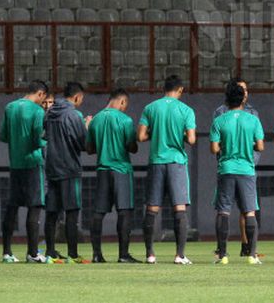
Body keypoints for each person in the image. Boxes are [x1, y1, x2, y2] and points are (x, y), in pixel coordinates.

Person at [138, 75, 197, 265]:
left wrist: (157, 133)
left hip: (156, 161)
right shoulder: (186, 110)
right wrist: (178, 134)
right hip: (176, 162)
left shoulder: (151, 107)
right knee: (179, 207)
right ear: (180, 90)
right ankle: (180, 255)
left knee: (152, 208)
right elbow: (192, 139)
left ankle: (150, 255)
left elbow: (141, 136)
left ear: (164, 88)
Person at [211, 81, 265, 265]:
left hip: (226, 169)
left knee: (223, 212)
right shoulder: (253, 119)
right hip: (246, 170)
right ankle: (252, 255)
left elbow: (214, 148)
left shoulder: (219, 120)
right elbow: (260, 146)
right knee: (249, 212)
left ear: (227, 98)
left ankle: (223, 255)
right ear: (243, 98)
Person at [0, 80, 51, 264]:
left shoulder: (9, 107)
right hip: (32, 164)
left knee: (12, 207)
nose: (43, 102)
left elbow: (4, 136)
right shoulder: (38, 111)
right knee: (35, 207)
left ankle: (6, 252)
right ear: (40, 94)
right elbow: (38, 139)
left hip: (15, 164)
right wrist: (46, 142)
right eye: (43, 98)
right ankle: (32, 253)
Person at [87, 89, 140, 263]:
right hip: (121, 170)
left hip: (102, 169)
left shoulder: (96, 120)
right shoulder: (125, 120)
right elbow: (132, 146)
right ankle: (123, 255)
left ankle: (96, 254)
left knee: (98, 213)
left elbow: (90, 149)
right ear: (122, 102)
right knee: (124, 212)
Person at [44, 82, 91, 264]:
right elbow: (83, 144)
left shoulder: (50, 112)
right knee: (72, 211)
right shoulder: (73, 115)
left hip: (52, 167)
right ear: (77, 97)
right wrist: (86, 125)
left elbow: (44, 135)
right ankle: (72, 254)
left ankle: (50, 252)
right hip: (69, 168)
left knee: (52, 212)